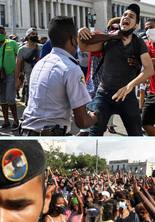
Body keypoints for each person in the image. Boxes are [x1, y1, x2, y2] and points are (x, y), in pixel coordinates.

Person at [79, 4, 154, 136]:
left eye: (131, 16)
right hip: (104, 93)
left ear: (136, 25)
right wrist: (80, 33)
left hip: (128, 95)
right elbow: (84, 47)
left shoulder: (138, 43)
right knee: (95, 134)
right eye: (125, 15)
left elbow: (149, 69)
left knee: (136, 135)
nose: (126, 17)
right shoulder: (109, 40)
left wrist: (129, 86)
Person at [21, 16, 100, 136]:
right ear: (73, 40)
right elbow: (82, 122)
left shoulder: (40, 64)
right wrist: (97, 116)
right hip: (50, 138)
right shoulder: (71, 68)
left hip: (27, 133)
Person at [15, 28, 43, 105]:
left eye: (36, 34)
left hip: (41, 78)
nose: (35, 35)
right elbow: (18, 65)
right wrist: (16, 80)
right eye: (33, 34)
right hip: (29, 78)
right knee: (29, 100)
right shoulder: (22, 50)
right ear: (28, 36)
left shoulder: (42, 48)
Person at [141, 18, 155, 136]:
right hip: (152, 92)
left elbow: (145, 62)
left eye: (151, 27)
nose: (148, 31)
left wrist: (147, 61)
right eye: (146, 28)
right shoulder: (145, 45)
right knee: (145, 123)